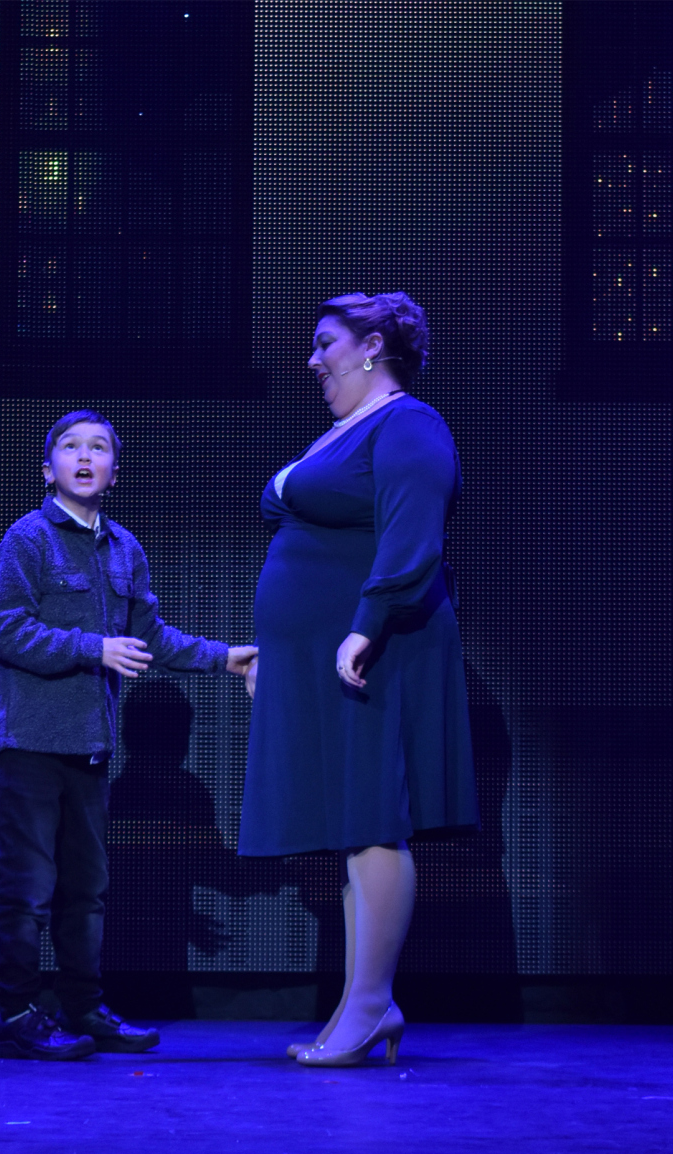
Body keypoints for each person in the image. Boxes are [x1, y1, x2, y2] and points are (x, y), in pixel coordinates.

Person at [240, 293, 478, 1067]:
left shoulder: (409, 424)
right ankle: (361, 1001)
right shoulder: (344, 431)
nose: (312, 360)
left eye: (325, 343)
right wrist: (277, 650)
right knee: (351, 824)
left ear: (373, 345)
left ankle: (372, 1001)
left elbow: (414, 535)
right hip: (325, 650)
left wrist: (366, 625)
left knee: (374, 815)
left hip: (378, 647)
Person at [0, 410, 257, 1060]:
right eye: (70, 447)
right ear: (47, 469)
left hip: (89, 746)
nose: (84, 456)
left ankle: (82, 1006)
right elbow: (7, 631)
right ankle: (15, 1017)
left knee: (86, 890)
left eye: (98, 447)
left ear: (113, 471)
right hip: (30, 743)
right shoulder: (27, 539)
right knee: (28, 889)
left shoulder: (125, 548)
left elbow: (151, 637)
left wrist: (225, 657)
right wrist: (91, 646)